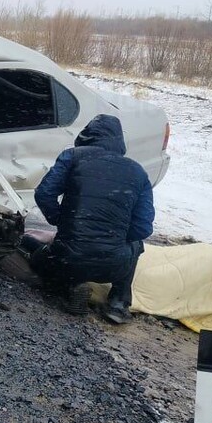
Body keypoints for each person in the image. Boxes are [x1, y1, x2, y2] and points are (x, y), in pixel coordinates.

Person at [30, 114, 155, 323]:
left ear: (86, 135)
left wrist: (62, 220)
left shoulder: (72, 156)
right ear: (119, 141)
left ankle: (69, 286)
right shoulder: (138, 172)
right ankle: (117, 304)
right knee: (136, 243)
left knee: (37, 259)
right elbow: (143, 227)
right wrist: (118, 237)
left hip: (65, 258)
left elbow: (44, 194)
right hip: (114, 267)